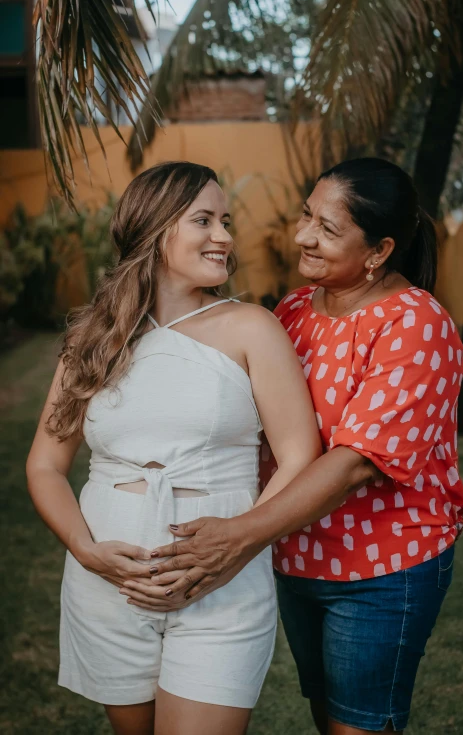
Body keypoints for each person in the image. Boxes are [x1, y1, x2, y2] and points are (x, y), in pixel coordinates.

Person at [138, 158, 463, 734]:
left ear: (379, 250)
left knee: (360, 726)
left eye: (327, 228)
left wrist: (239, 535)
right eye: (305, 216)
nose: (302, 236)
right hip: (297, 557)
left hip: (381, 570)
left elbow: (351, 467)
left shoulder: (417, 324)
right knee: (328, 719)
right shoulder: (294, 311)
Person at [26, 161, 322, 735]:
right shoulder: (94, 339)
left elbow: (299, 455)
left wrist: (237, 547)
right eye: (204, 220)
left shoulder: (252, 328)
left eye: (225, 220)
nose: (225, 237)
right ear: (155, 228)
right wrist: (87, 552)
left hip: (224, 585)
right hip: (109, 585)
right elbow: (44, 465)